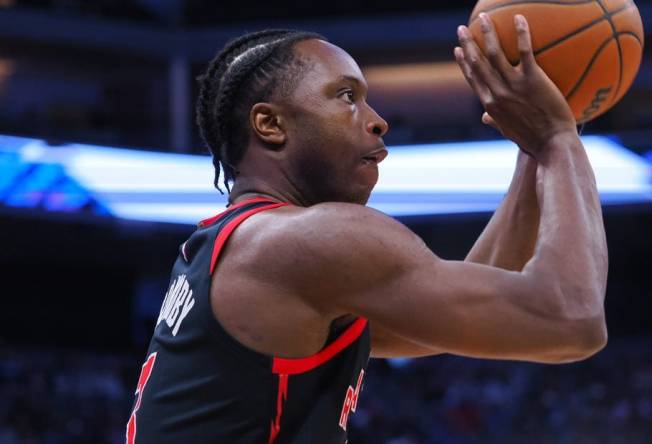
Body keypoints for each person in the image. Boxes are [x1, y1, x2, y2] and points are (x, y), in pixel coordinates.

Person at [126, 13, 608, 444]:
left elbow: (447, 318)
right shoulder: (304, 243)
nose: (378, 122)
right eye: (346, 96)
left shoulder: (243, 250)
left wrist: (535, 148)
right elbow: (571, 319)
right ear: (270, 124)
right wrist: (557, 138)